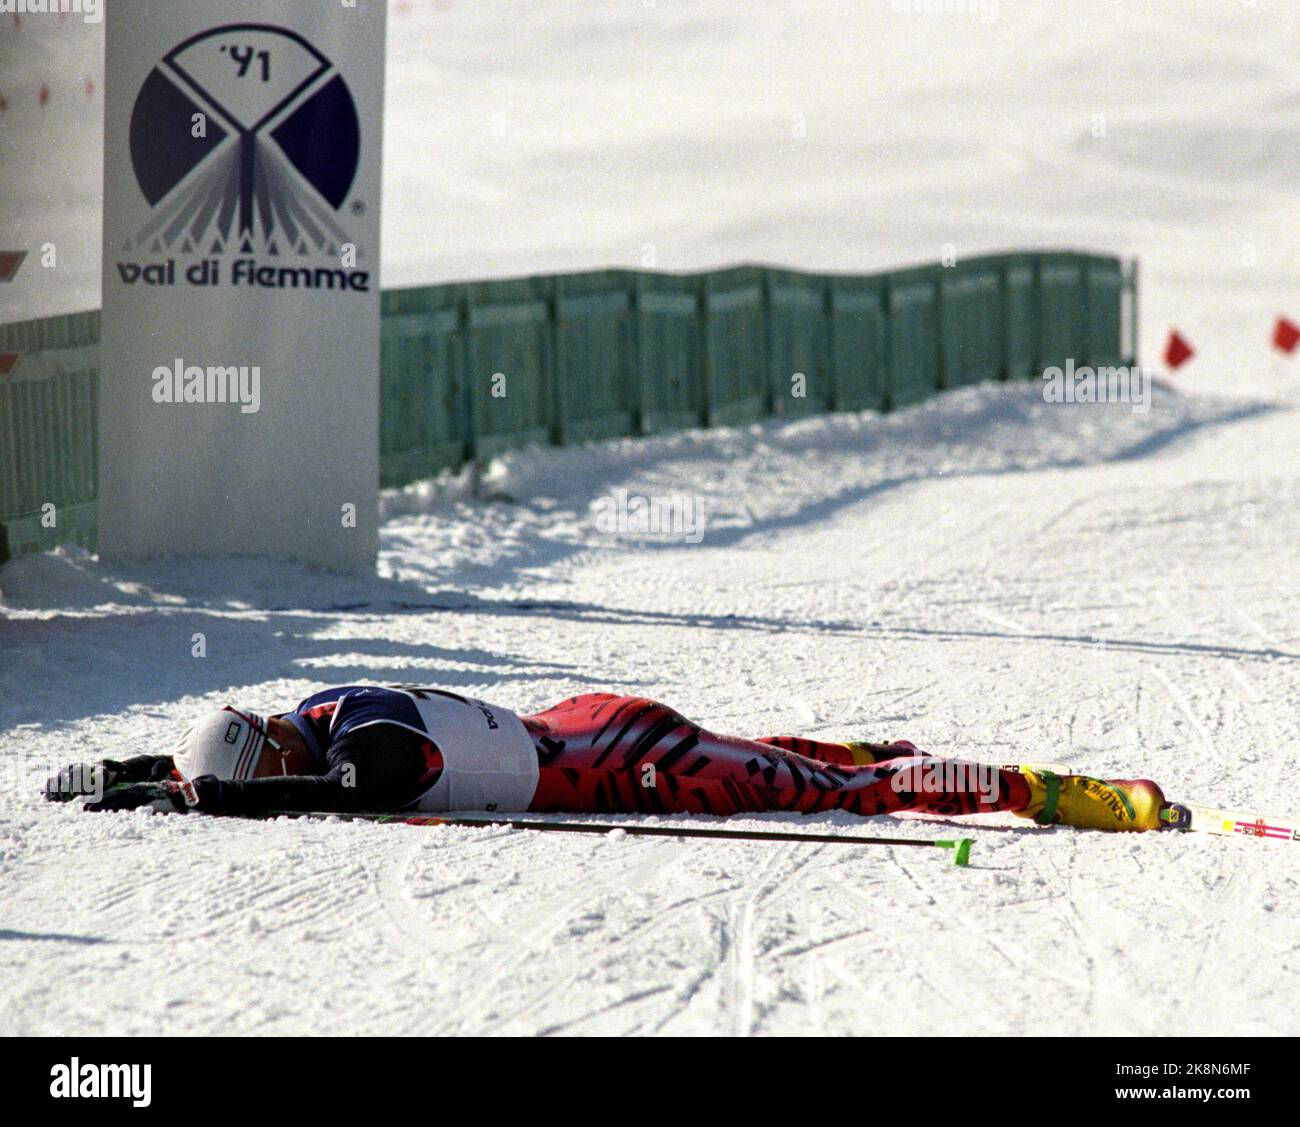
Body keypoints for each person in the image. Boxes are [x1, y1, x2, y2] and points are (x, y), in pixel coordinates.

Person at [44, 684, 1168, 831]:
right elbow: (239, 773)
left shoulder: (365, 746)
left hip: (630, 760)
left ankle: (1054, 789)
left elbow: (296, 796)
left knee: (854, 796)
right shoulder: (314, 712)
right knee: (787, 760)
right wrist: (132, 772)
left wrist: (196, 797)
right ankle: (854, 746)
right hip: (583, 727)